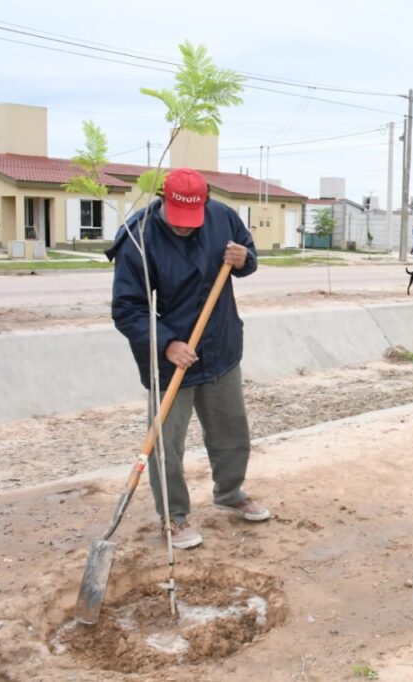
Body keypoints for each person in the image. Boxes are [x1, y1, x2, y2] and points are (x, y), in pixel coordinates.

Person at [109, 167, 269, 550]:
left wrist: (245, 257)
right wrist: (166, 343)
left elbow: (248, 259)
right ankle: (174, 517)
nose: (185, 228)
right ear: (163, 200)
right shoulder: (138, 237)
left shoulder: (222, 217)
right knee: (167, 445)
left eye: (191, 220)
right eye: (177, 222)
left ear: (205, 201)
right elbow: (126, 309)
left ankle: (230, 493)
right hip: (170, 358)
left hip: (220, 345)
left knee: (231, 430)